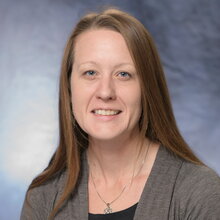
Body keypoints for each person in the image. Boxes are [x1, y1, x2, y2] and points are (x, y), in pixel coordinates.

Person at [20, 7, 220, 220]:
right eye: (90, 73)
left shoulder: (198, 192)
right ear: (69, 88)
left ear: (147, 88)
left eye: (123, 74)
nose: (105, 92)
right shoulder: (44, 195)